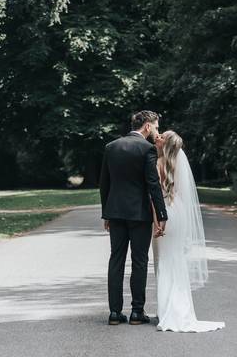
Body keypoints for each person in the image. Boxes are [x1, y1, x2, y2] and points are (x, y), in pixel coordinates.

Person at [99, 110, 167, 325]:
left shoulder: (111, 147)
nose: (156, 131)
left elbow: (104, 184)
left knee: (116, 260)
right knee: (139, 261)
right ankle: (137, 312)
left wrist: (106, 213)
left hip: (116, 212)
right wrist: (161, 214)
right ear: (147, 126)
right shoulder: (147, 149)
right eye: (155, 127)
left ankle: (114, 313)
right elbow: (153, 184)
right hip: (139, 214)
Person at [152, 130, 224, 332]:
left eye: (161, 136)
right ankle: (180, 308)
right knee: (176, 259)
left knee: (165, 260)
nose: (157, 137)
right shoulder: (176, 165)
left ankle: (168, 310)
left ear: (165, 145)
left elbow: (154, 197)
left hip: (165, 213)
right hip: (179, 213)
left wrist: (157, 220)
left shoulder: (158, 165)